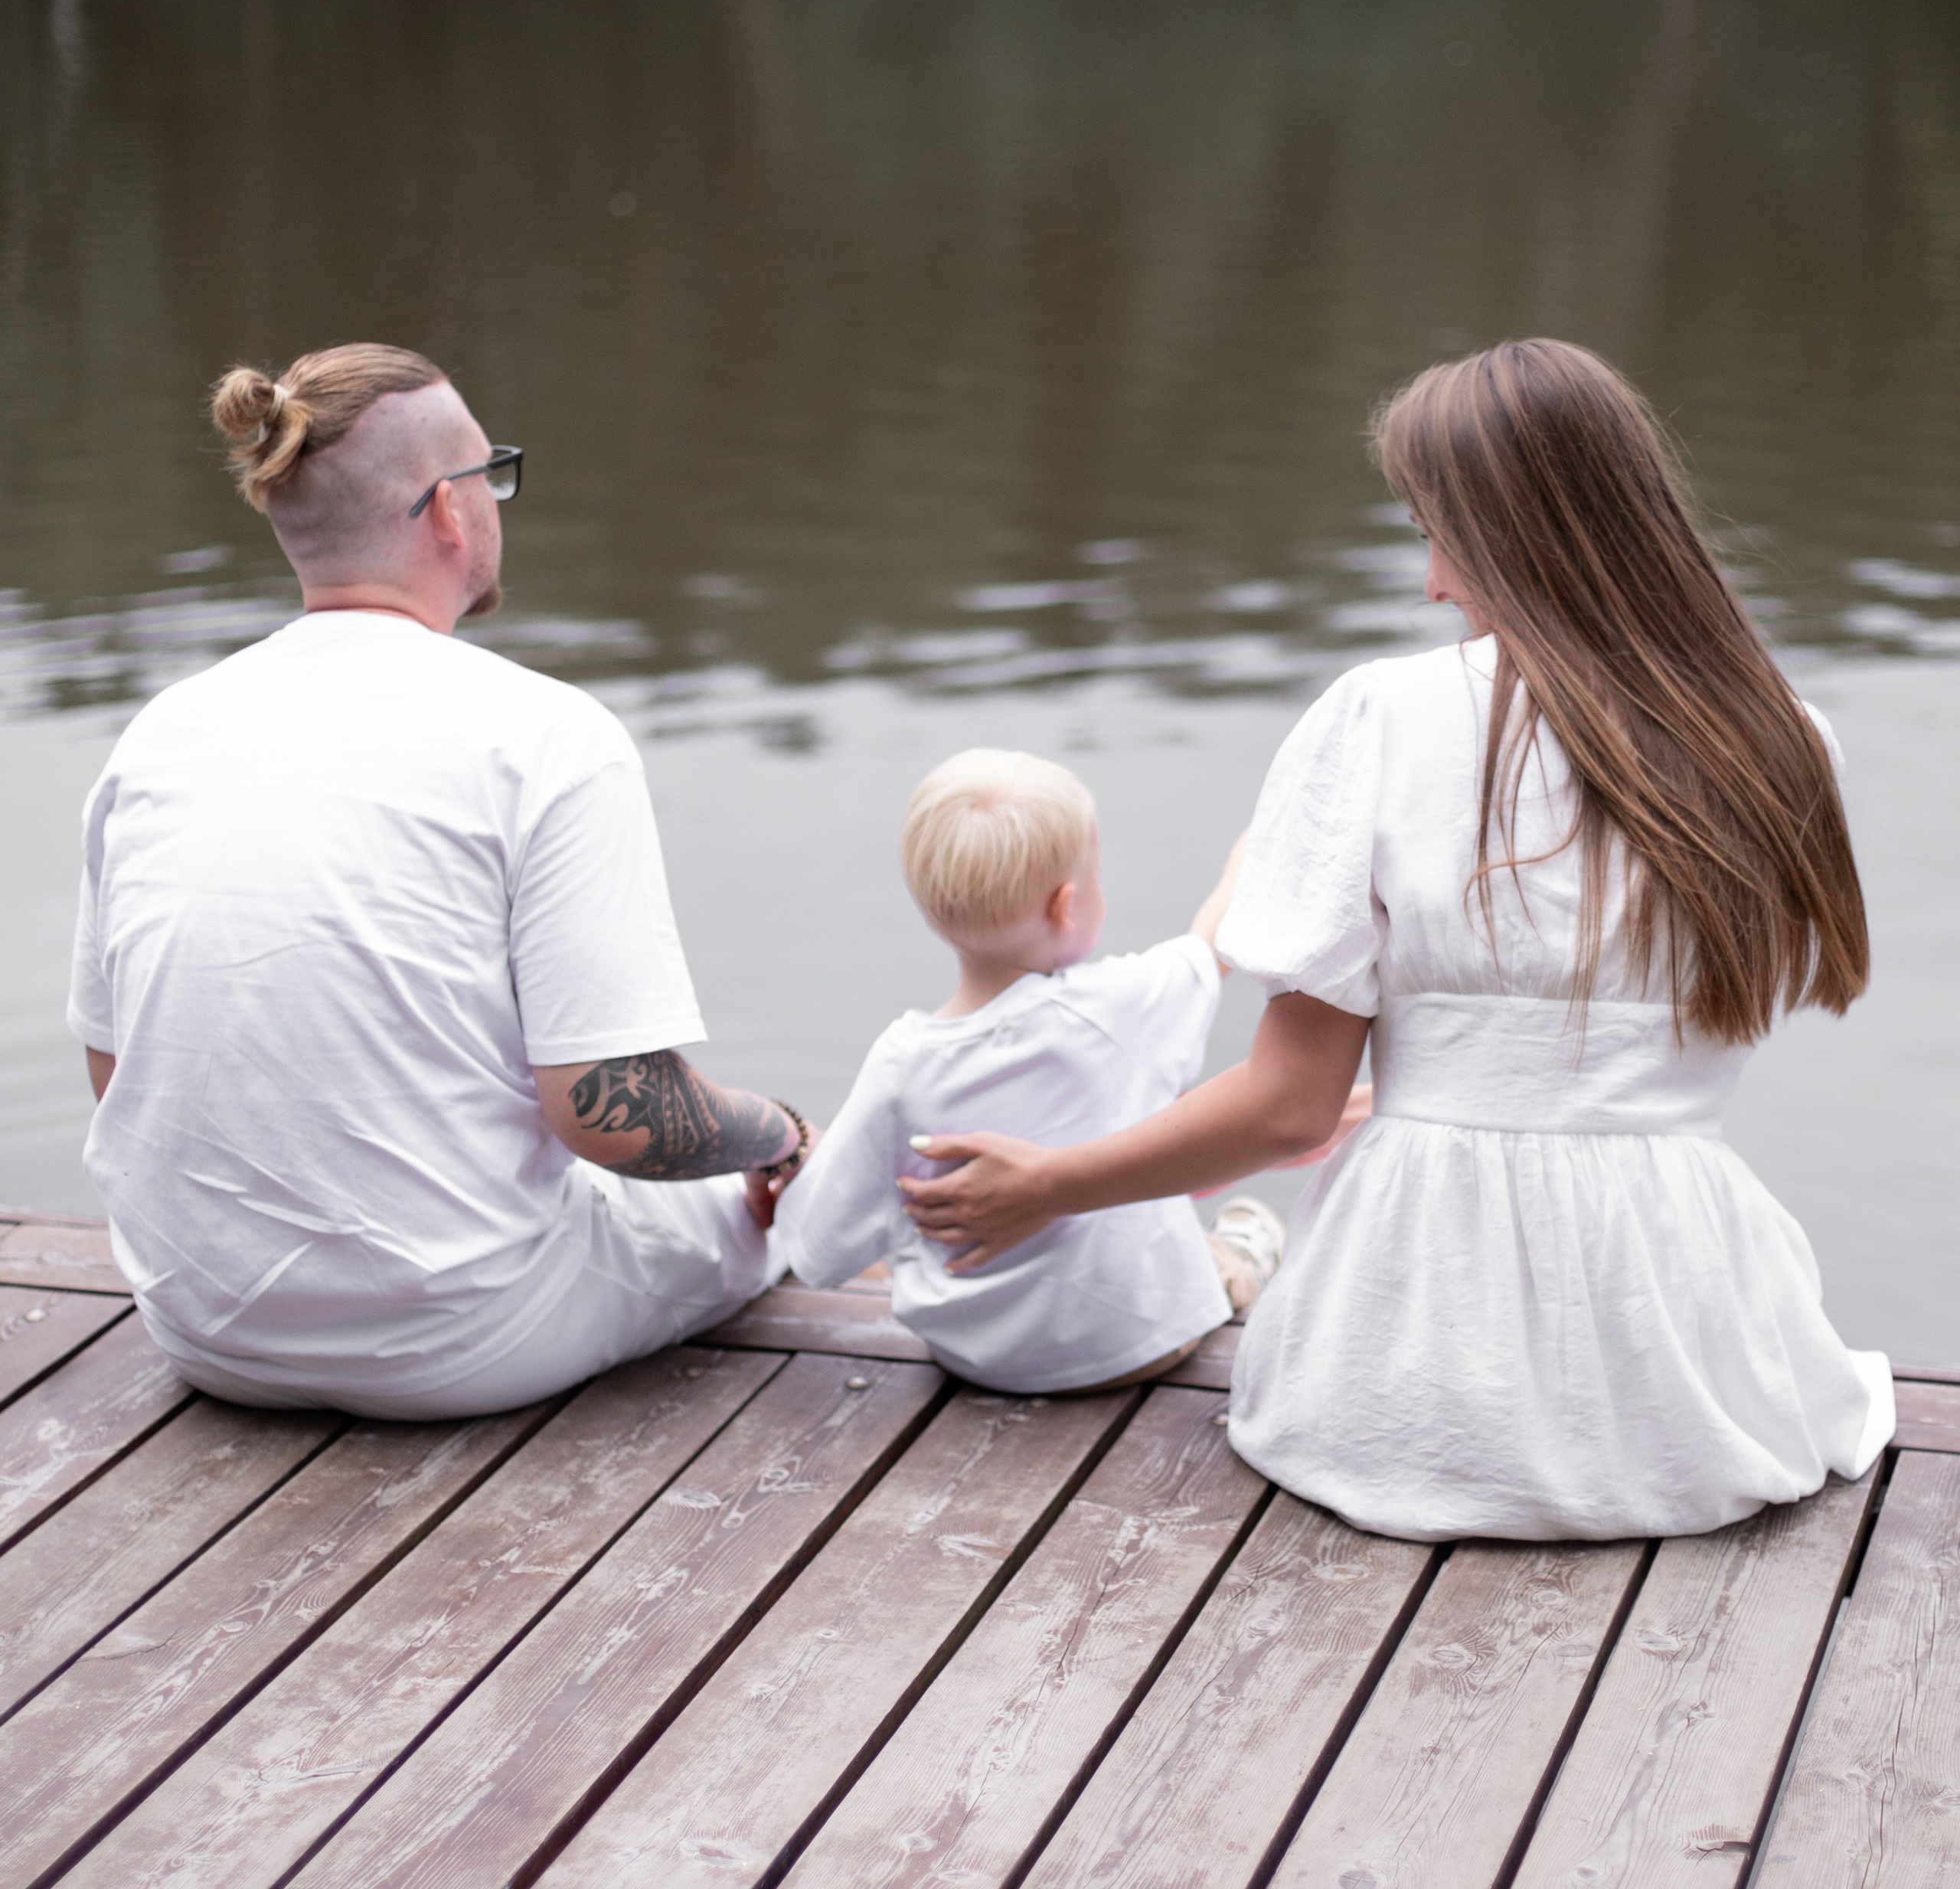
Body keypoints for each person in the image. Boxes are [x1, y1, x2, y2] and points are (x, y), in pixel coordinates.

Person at [897, 339, 1894, 1543]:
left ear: (1520, 537)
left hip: (1418, 1361)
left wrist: (1047, 1188)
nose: (1430, 583)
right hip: (1687, 1360)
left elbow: (1291, 1113)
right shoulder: (1788, 739)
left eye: (1439, 535)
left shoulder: (1384, 716)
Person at [68, 342, 808, 1420]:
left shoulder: (162, 732)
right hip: (459, 1339)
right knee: (768, 1208)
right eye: (491, 474)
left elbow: (116, 1068)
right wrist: (779, 1130)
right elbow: (616, 1117)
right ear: (451, 511)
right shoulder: (548, 734)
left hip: (201, 1325)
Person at [777, 750, 1357, 1393]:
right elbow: (1211, 943)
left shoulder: (900, 1063)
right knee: (1240, 1235)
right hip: (1143, 1342)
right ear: (1066, 903)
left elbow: (819, 1251)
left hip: (977, 1361)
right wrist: (1251, 854)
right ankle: (1243, 1255)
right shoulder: (1121, 1002)